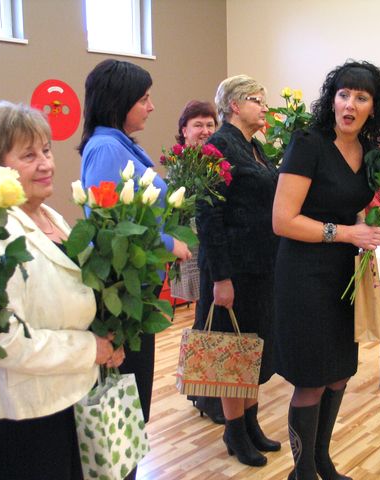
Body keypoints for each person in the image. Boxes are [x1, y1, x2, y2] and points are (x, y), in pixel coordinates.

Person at [0, 101, 124, 480]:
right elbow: (2, 341)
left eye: (47, 150)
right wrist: (90, 349)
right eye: (29, 156)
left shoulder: (48, 215)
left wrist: (106, 337)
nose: (46, 164)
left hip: (69, 396)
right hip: (24, 415)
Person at [273, 60, 380, 480]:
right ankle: (303, 471)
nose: (350, 104)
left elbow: (353, 210)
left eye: (361, 97)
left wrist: (366, 229)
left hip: (345, 274)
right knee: (312, 378)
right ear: (332, 100)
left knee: (340, 373)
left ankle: (321, 459)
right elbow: (283, 220)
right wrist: (346, 233)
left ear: (373, 108)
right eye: (343, 94)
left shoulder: (370, 153)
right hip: (304, 275)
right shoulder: (309, 143)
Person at [78, 61, 192, 468]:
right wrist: (170, 243)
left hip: (138, 288)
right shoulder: (106, 148)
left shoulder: (118, 144)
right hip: (123, 293)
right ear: (119, 101)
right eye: (143, 99)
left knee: (131, 403)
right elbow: (105, 226)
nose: (151, 106)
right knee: (123, 404)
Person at [194, 75, 279, 467]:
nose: (264, 107)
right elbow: (208, 216)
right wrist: (221, 278)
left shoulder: (254, 147)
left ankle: (250, 422)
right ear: (234, 105)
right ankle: (234, 430)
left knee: (253, 348)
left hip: (260, 265)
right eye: (257, 100)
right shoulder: (218, 147)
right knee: (232, 352)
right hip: (233, 269)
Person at [171, 100, 226, 425]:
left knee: (206, 319)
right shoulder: (180, 164)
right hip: (192, 248)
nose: (205, 131)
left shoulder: (215, 160)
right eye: (198, 125)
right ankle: (205, 393)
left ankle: (202, 392)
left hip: (211, 247)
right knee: (205, 318)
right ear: (184, 130)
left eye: (210, 124)